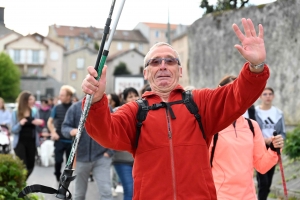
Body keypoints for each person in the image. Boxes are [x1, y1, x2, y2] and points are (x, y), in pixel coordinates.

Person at [81, 18, 270, 199]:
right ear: (146, 73)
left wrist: (256, 66)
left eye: (170, 61)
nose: (163, 66)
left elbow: (238, 96)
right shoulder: (134, 111)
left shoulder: (200, 102)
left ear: (180, 70)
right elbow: (106, 132)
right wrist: (96, 100)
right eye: (155, 62)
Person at [209, 75, 284, 200]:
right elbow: (200, 168)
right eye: (231, 90)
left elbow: (262, 165)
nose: (236, 95)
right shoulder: (211, 126)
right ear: (220, 93)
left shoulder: (251, 126)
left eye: (240, 90)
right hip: (219, 195)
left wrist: (273, 148)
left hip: (248, 196)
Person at [62, 99, 114, 200]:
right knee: (79, 194)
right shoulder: (75, 108)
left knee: (106, 192)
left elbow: (115, 129)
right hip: (81, 157)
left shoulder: (106, 108)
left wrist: (109, 152)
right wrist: (71, 131)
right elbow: (65, 127)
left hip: (101, 157)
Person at [255, 87, 286, 200]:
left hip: (273, 148)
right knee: (263, 180)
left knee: (268, 181)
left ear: (273, 96)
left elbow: (283, 132)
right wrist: (263, 140)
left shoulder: (278, 113)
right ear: (260, 97)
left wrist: (277, 141)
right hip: (260, 148)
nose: (267, 96)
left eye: (270, 94)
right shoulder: (255, 112)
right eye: (265, 94)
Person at [112, 87, 139, 200]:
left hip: (139, 160)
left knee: (140, 192)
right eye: (130, 96)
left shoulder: (145, 110)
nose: (133, 98)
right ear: (124, 99)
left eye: (135, 95)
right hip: (122, 159)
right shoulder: (118, 112)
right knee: (130, 191)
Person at [11, 91, 44, 179]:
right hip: (20, 143)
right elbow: (13, 130)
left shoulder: (34, 111)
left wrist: (39, 123)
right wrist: (20, 124)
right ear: (24, 100)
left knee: (31, 165)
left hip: (32, 142)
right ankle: (21, 186)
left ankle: (22, 182)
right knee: (22, 165)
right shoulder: (15, 112)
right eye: (30, 99)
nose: (33, 101)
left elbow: (39, 129)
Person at [47, 85, 74, 182]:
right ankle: (57, 174)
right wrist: (53, 133)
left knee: (69, 163)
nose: (60, 97)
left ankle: (65, 181)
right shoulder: (56, 107)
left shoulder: (74, 107)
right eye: (60, 95)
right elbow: (49, 122)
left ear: (69, 96)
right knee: (58, 160)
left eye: (62, 95)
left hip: (71, 141)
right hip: (59, 139)